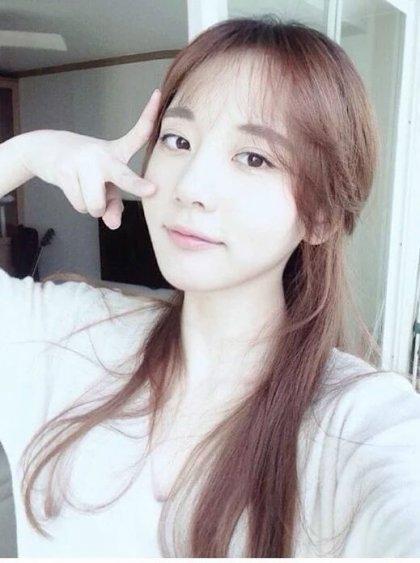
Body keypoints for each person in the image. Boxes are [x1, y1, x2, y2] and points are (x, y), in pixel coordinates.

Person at [0, 15, 419, 558]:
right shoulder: (66, 337)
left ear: (320, 217)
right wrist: (31, 152)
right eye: (177, 140)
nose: (192, 185)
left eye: (254, 157)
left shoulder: (361, 424)